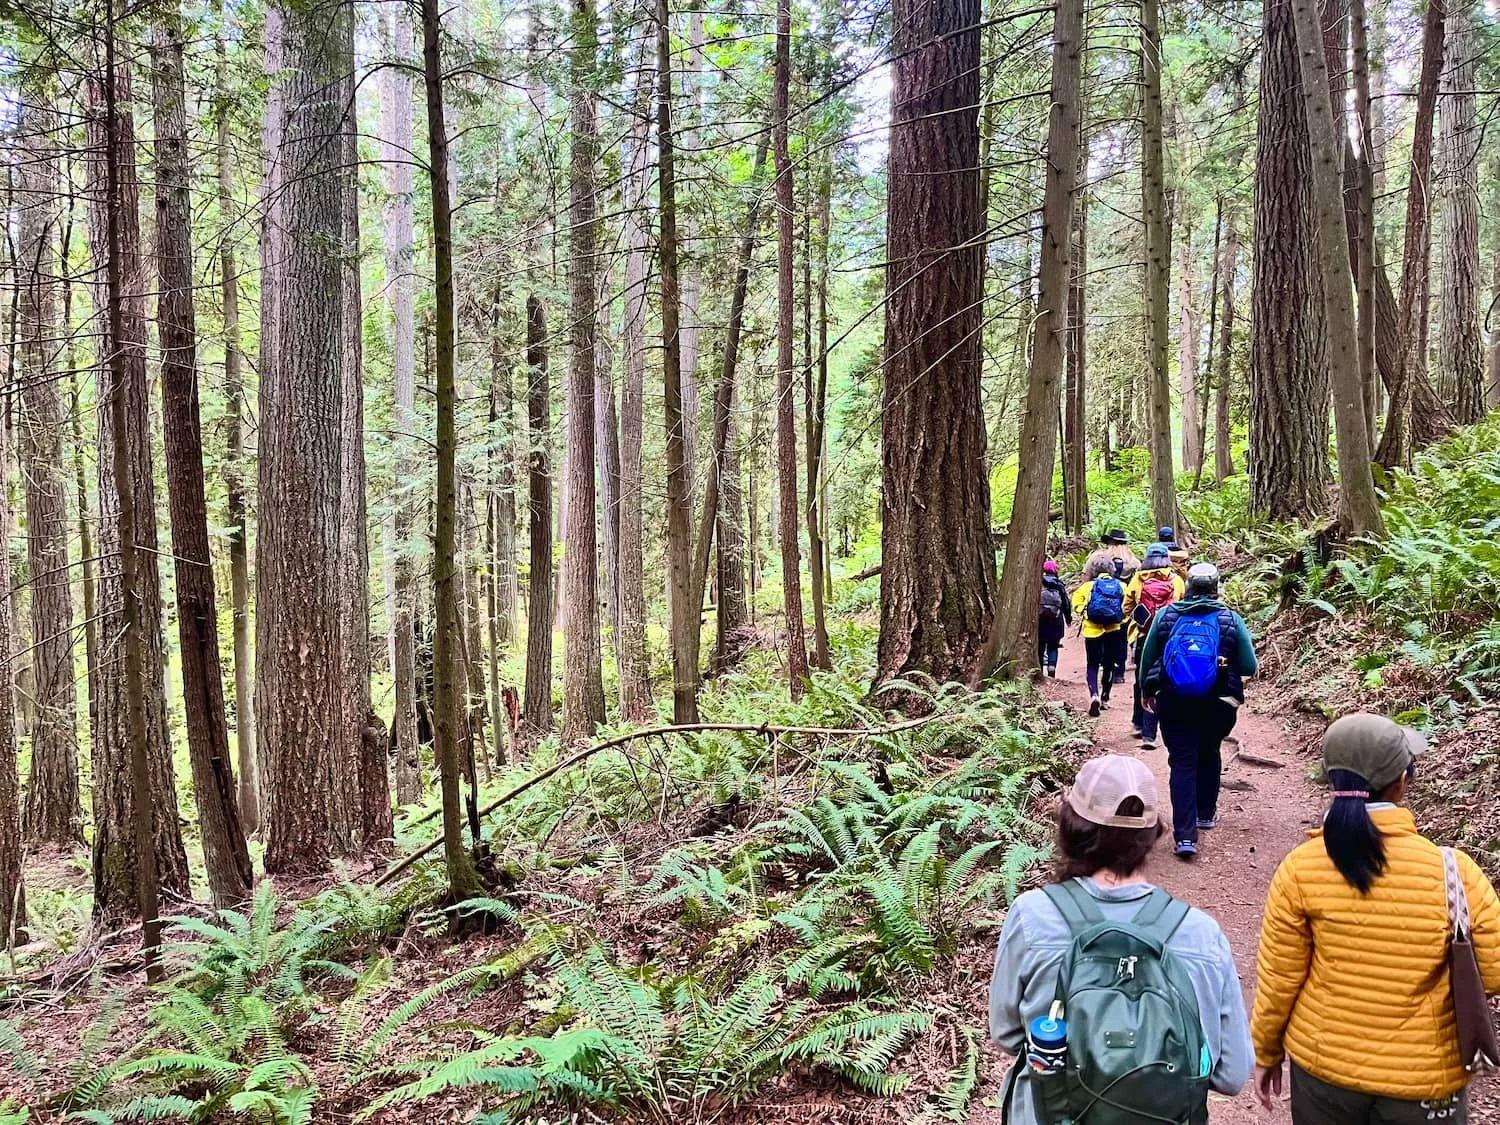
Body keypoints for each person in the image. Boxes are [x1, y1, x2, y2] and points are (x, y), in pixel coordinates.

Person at [1251, 714, 1500, 1123]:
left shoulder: (1301, 869)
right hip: (1424, 1080)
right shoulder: (1455, 873)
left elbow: (1280, 979)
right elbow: (1490, 974)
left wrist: (1266, 1052)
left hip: (1325, 1071)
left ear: (1331, 778)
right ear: (1402, 780)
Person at [990, 754, 1252, 1125]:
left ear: (1070, 826)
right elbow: (1232, 1075)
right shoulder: (1201, 933)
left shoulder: (1032, 916)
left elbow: (1007, 1034)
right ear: (1153, 836)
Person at [1137, 562, 1256, 858]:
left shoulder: (1167, 615)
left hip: (1174, 700)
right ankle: (1206, 814)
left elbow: (1147, 657)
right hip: (1218, 703)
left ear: (1188, 586)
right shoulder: (1230, 618)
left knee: (1182, 762)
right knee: (1210, 751)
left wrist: (1146, 691)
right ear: (1216, 587)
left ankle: (1186, 837)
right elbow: (1249, 665)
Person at [1124, 546, 1184, 751]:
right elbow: (1182, 606)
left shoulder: (1138, 579)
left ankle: (1140, 724)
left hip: (1144, 636)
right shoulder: (1176, 580)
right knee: (1169, 680)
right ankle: (1170, 727)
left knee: (1143, 679)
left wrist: (1140, 620)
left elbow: (1126, 606)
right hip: (1171, 638)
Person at [1071, 564, 1127, 717]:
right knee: (1109, 663)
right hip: (1113, 629)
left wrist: (1084, 611)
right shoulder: (1121, 585)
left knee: (1092, 663)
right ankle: (1105, 698)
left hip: (1092, 629)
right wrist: (1122, 618)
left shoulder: (1088, 586)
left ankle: (1094, 694)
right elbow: (1127, 605)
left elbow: (1076, 602)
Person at [1037, 559, 1072, 678]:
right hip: (1056, 620)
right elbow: (1066, 603)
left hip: (1040, 620)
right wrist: (1068, 618)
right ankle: (1052, 669)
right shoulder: (1059, 584)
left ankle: (1040, 669)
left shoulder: (1037, 583)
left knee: (1040, 645)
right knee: (1053, 645)